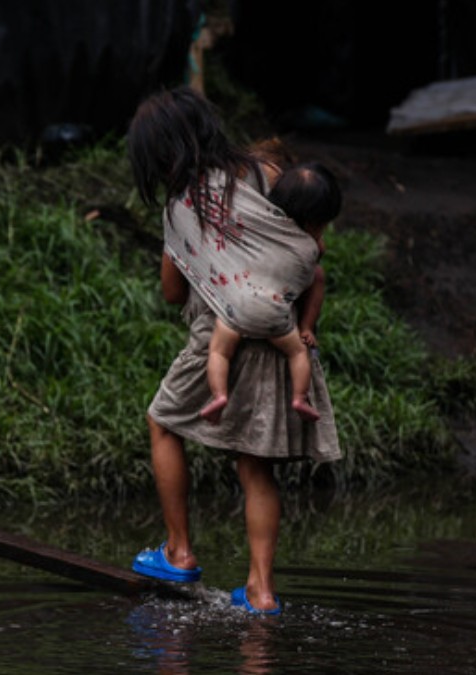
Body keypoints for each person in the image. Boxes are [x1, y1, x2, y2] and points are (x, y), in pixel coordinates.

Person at [126, 86, 341, 615]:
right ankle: (262, 591)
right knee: (256, 468)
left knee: (162, 422)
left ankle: (178, 551)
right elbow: (311, 252)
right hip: (280, 336)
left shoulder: (182, 208)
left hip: (217, 335)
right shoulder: (266, 173)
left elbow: (175, 293)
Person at [201, 161, 341, 425]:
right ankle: (299, 397)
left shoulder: (256, 227)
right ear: (316, 221)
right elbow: (317, 258)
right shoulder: (311, 248)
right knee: (298, 353)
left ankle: (218, 396)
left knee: (218, 351)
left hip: (237, 310)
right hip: (275, 318)